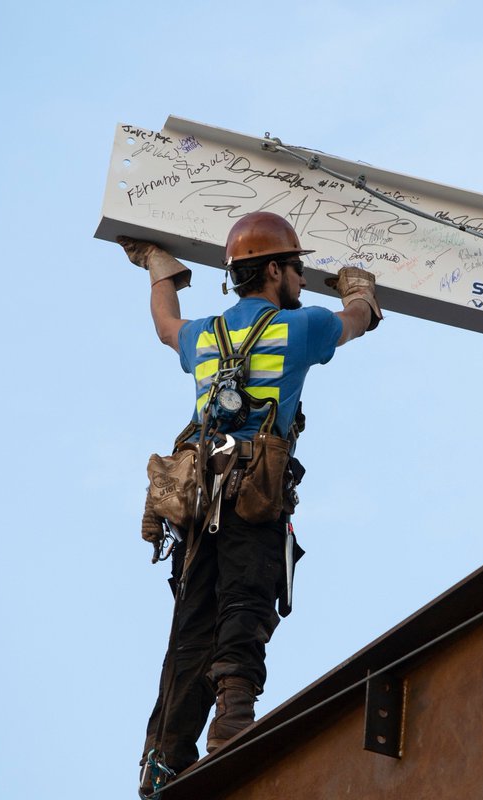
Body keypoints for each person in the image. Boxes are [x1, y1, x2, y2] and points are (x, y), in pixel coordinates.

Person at [117, 211, 381, 797]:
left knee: (191, 622)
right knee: (247, 597)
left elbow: (165, 325)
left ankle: (163, 760)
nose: (302, 278)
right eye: (296, 268)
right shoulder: (301, 328)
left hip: (197, 499)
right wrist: (360, 291)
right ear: (274, 272)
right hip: (254, 493)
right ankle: (233, 722)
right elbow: (354, 321)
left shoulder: (205, 335)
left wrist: (161, 271)